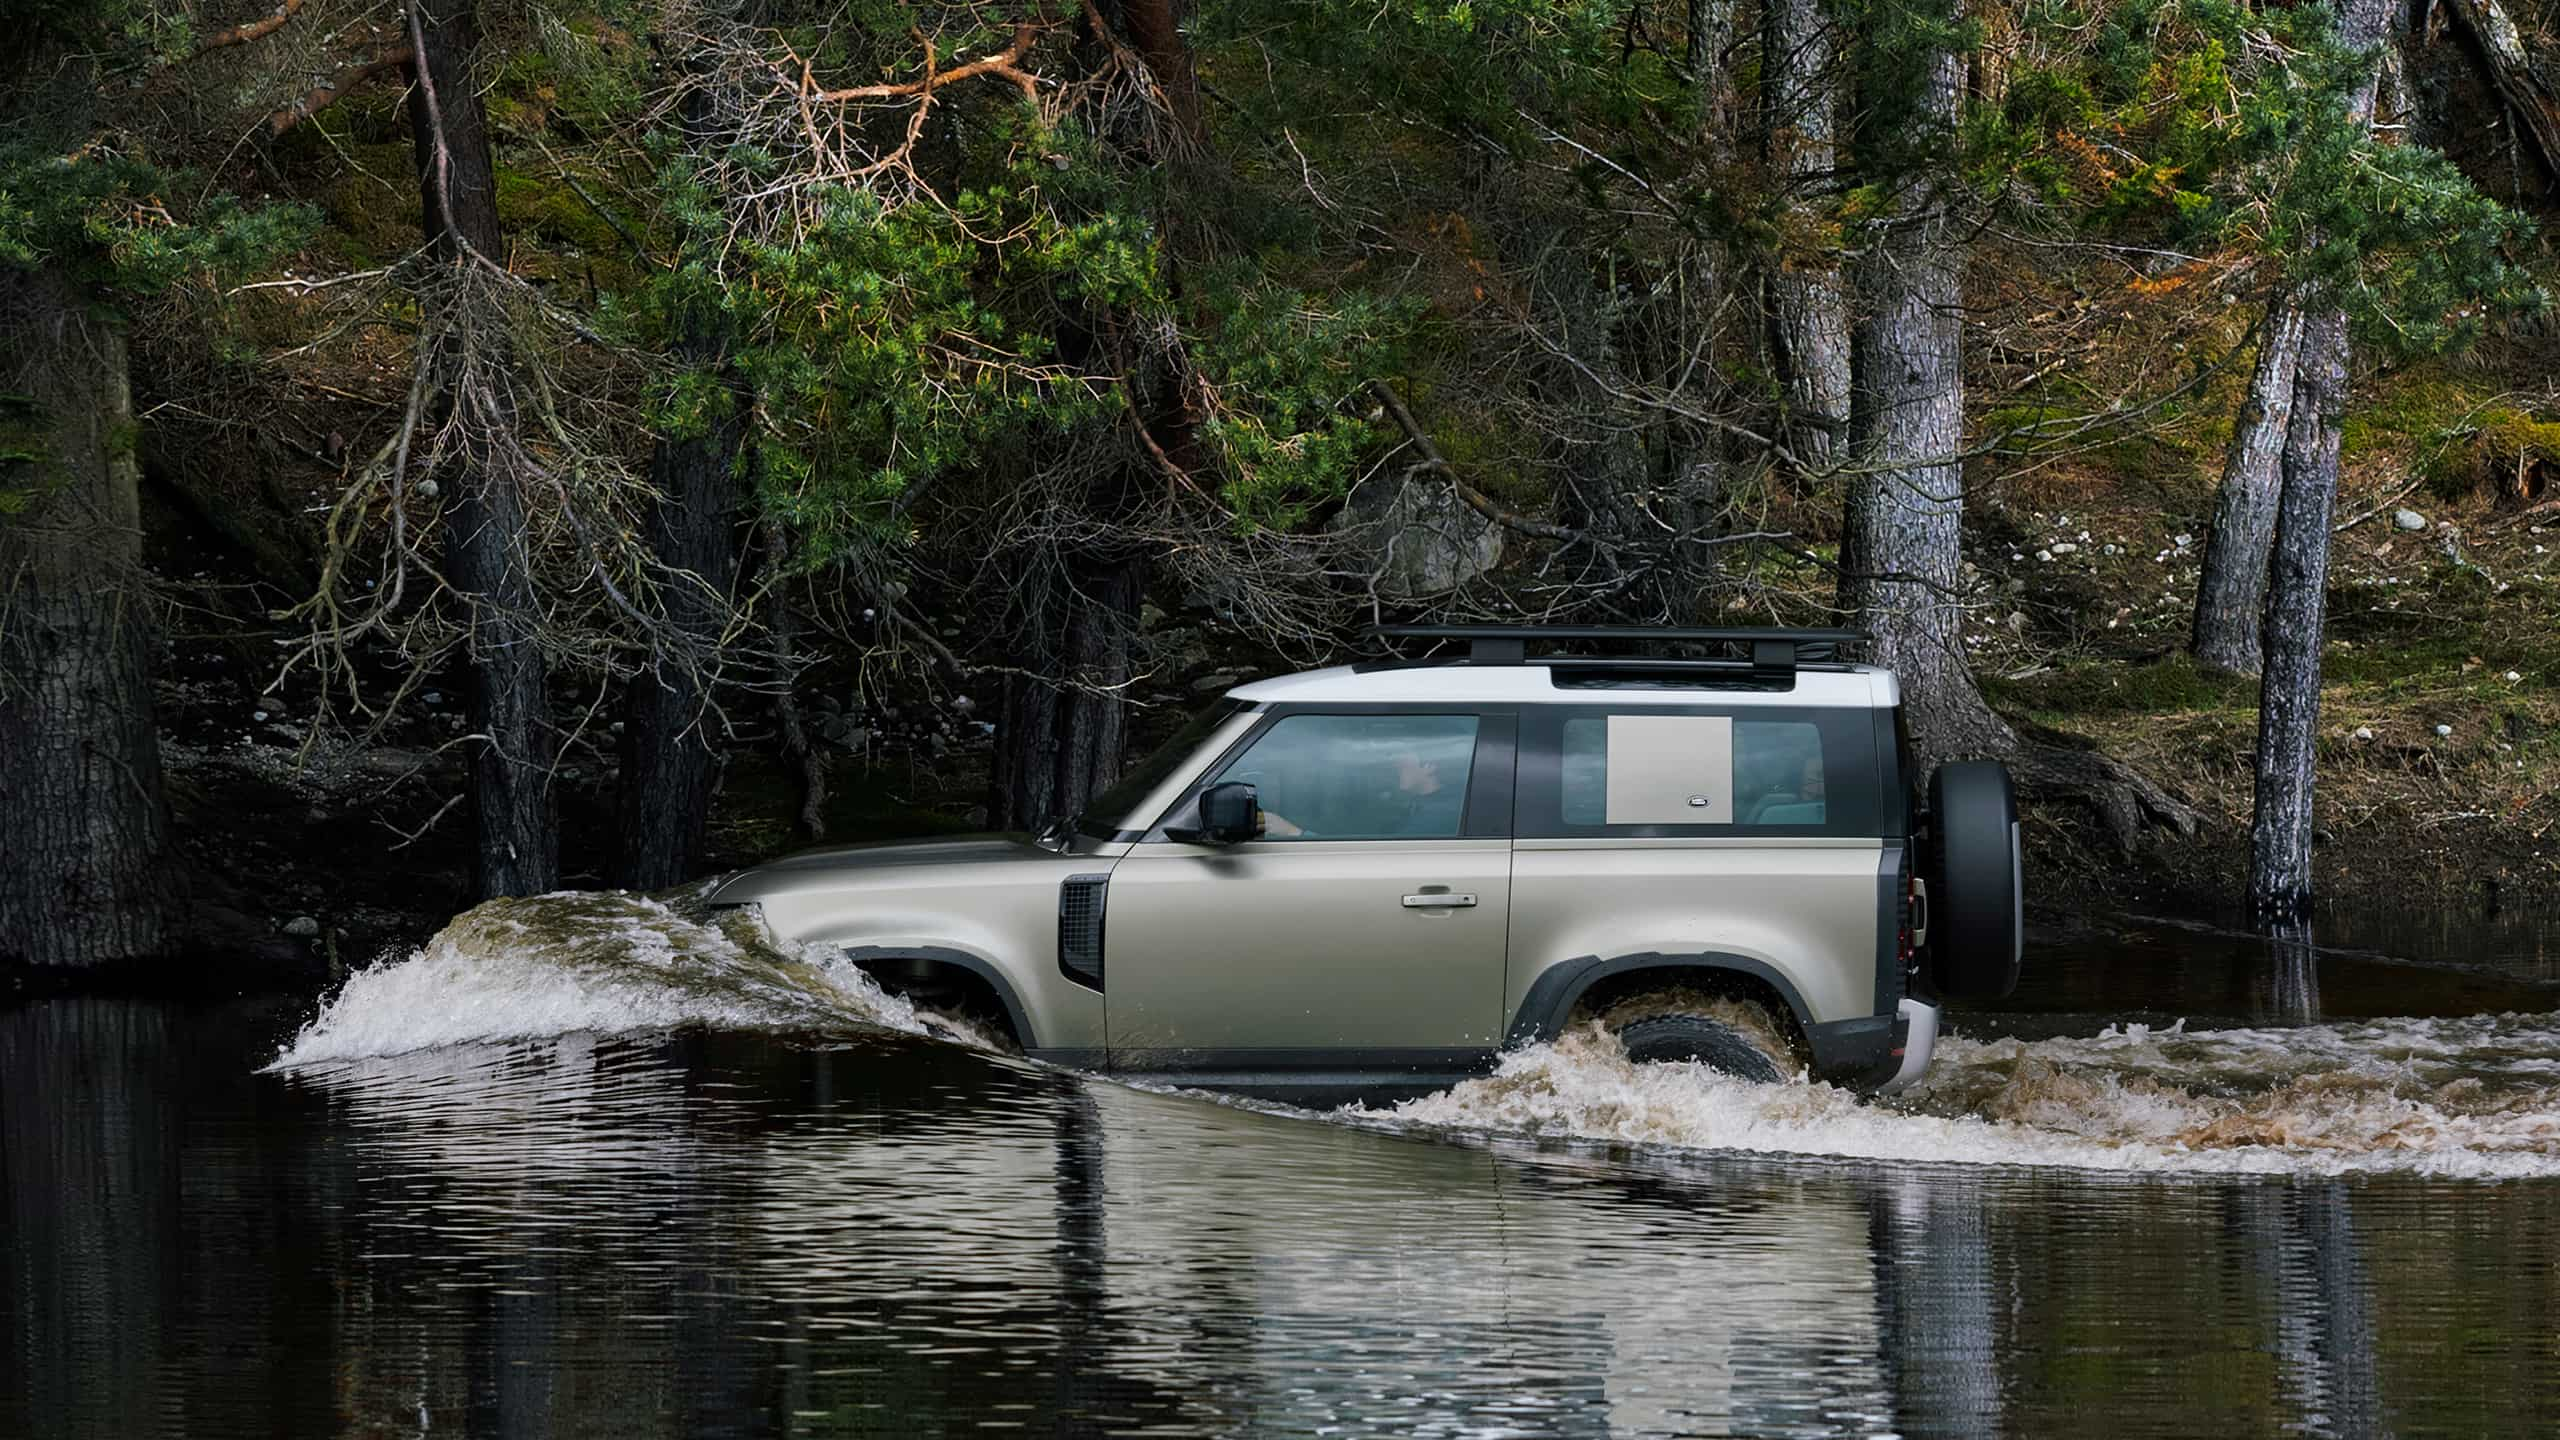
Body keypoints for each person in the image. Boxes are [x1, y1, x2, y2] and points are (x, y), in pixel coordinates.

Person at [1262, 743, 1461, 838]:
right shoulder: (1417, 807)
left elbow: (1377, 861)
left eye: (1404, 755)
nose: (1395, 762)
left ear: (1430, 765)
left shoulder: (1437, 817)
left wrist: (1293, 832)